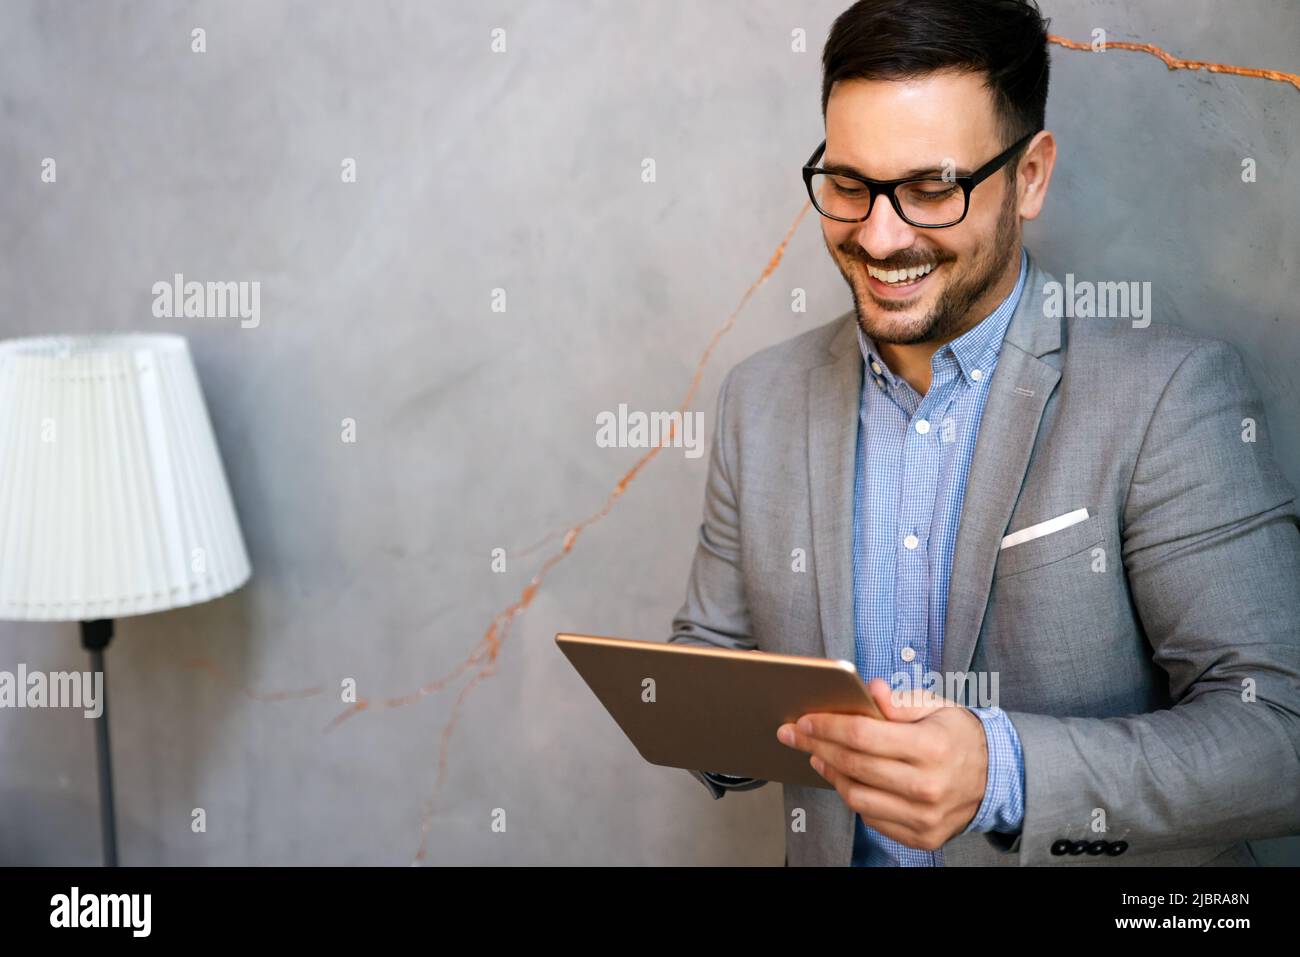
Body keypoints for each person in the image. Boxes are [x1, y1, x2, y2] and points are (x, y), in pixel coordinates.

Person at [669, 0, 1300, 866]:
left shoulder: (1172, 394)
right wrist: (695, 720)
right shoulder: (759, 397)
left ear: (1030, 176)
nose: (880, 236)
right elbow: (710, 660)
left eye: (932, 188)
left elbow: (1279, 738)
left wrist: (1003, 772)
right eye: (849, 185)